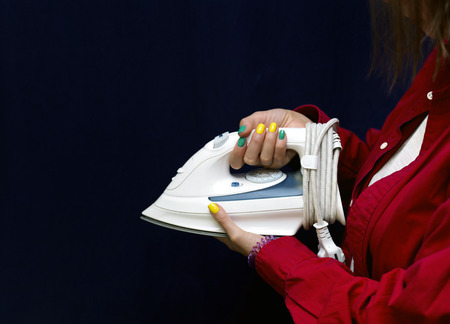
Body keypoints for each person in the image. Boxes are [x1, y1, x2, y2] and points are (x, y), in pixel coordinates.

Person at [207, 0, 450, 322]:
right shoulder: (443, 59)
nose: (404, 11)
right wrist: (316, 143)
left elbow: (406, 313)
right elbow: (407, 184)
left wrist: (276, 256)